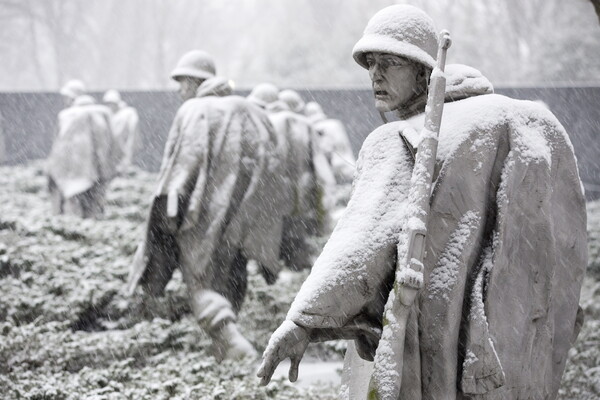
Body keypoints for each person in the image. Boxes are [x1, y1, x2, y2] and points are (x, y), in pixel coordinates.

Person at [258, 5, 587, 400]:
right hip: (519, 333)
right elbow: (568, 240)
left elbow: (361, 244)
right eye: (371, 64)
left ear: (424, 71)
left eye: (390, 62)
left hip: (439, 341)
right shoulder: (534, 124)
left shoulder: (398, 139)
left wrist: (304, 321)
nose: (376, 75)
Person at [127, 50, 287, 361]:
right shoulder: (252, 111)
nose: (179, 90)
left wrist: (169, 215)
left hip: (203, 215)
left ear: (194, 81)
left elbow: (181, 167)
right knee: (233, 271)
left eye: (182, 82)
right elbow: (274, 167)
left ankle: (230, 341)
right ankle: (226, 343)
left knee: (199, 279)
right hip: (249, 216)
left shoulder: (194, 110)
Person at [46, 80, 120, 218]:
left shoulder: (67, 115)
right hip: (94, 170)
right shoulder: (102, 113)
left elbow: (58, 146)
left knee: (75, 206)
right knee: (92, 205)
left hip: (73, 170)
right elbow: (110, 143)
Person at [305, 101, 356, 185]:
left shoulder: (314, 128)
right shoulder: (335, 124)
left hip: (333, 169)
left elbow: (326, 149)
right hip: (348, 166)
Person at [103, 89, 140, 169]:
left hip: (125, 146)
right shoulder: (109, 116)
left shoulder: (128, 113)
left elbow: (133, 129)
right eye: (108, 103)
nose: (109, 106)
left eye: (111, 103)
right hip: (113, 151)